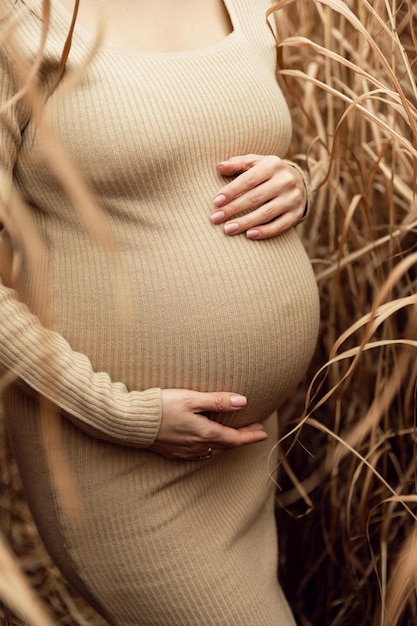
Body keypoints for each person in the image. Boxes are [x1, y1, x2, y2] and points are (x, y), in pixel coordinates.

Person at [0, 0, 320, 623]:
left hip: (243, 451)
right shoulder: (18, 22)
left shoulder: (248, 5)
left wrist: (297, 180)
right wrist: (127, 416)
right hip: (119, 456)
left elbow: (202, 156)